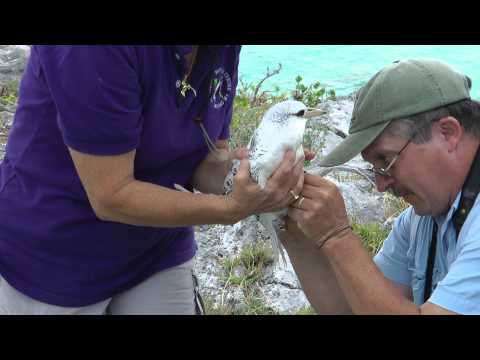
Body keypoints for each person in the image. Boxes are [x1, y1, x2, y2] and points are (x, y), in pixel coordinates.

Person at [0, 45, 306, 315]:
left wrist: (250, 179)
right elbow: (111, 196)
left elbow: (208, 156)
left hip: (156, 246)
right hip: (56, 256)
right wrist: (231, 209)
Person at [282, 59, 480, 315]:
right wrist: (292, 229)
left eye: (386, 161)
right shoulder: (422, 218)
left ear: (448, 133)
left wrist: (337, 236)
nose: (380, 184)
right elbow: (351, 309)